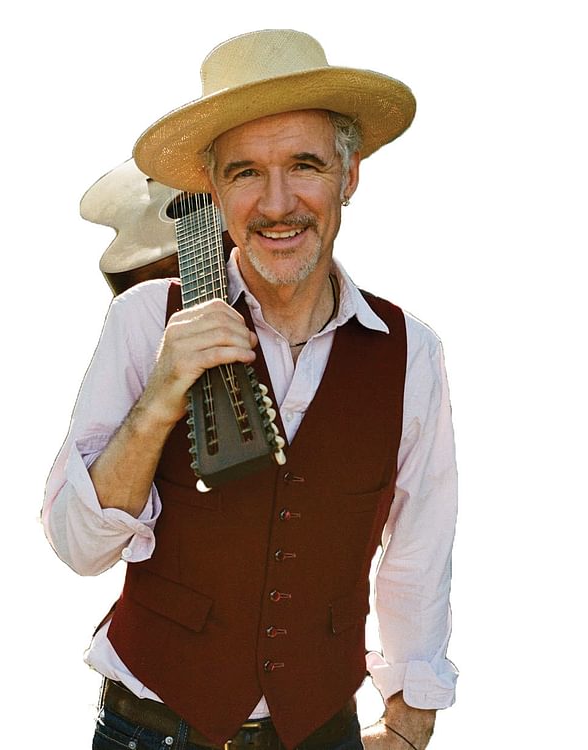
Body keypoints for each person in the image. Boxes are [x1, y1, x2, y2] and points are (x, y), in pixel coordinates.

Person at [43, 29, 458, 750]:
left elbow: (420, 542)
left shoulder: (409, 352)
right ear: (214, 189)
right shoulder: (145, 320)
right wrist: (160, 398)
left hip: (322, 733)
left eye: (304, 165)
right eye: (245, 172)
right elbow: (79, 548)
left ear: (349, 176)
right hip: (150, 732)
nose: (276, 203)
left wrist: (411, 712)